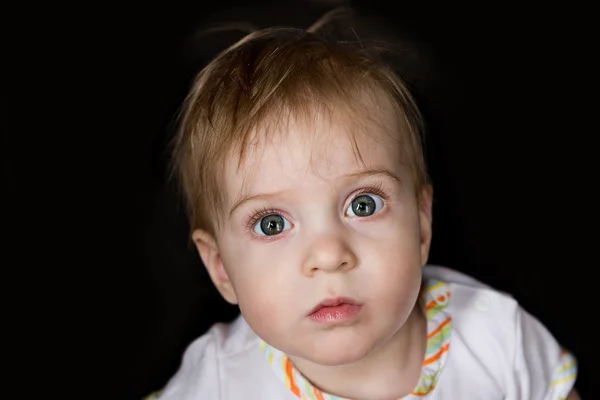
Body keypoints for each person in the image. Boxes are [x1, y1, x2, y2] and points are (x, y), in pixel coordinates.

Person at [149, 9, 580, 400]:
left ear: (423, 225)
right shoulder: (220, 380)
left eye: (363, 205)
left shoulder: (494, 337)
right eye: (272, 224)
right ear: (221, 267)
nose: (329, 255)